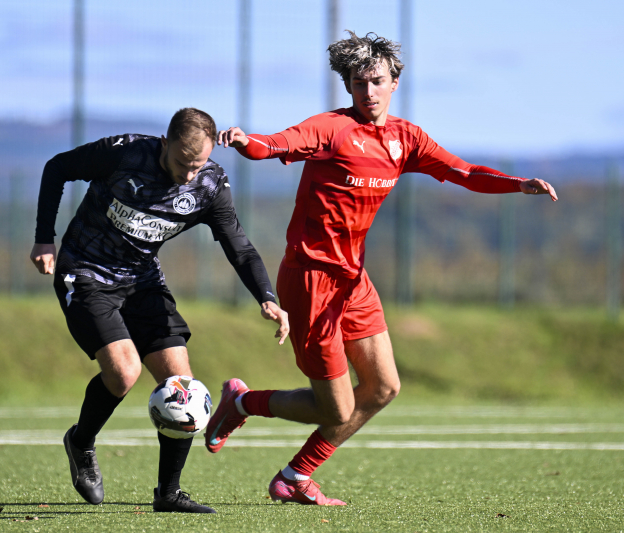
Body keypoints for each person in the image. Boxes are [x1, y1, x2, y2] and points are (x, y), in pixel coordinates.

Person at [205, 31, 558, 505]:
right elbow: (275, 143)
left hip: (353, 280)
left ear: (395, 82)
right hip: (311, 280)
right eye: (358, 83)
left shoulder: (405, 138)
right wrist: (246, 140)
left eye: (376, 81)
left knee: (383, 387)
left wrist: (517, 184)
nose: (367, 92)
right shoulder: (331, 129)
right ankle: (242, 402)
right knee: (336, 408)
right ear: (348, 86)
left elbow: (463, 172)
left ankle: (294, 477)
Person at [29, 107, 289, 513]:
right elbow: (57, 167)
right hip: (86, 270)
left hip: (142, 279)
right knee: (124, 373)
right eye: (182, 162)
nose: (188, 174)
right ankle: (81, 442)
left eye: (197, 164)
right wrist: (45, 238)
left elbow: (239, 245)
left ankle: (168, 493)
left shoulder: (209, 185)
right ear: (164, 143)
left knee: (182, 385)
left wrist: (267, 297)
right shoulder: (124, 153)